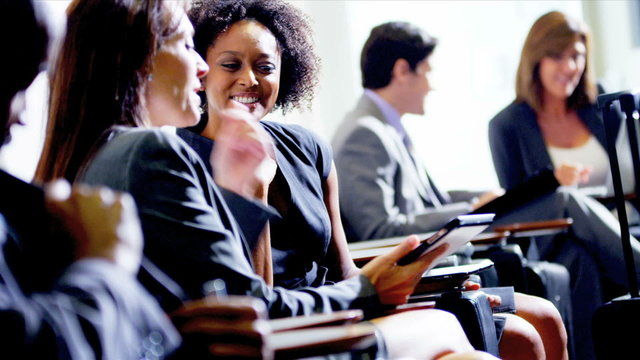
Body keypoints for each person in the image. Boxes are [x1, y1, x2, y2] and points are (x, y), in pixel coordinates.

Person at [35, 0, 494, 358]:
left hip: (283, 328)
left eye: (264, 65)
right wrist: (368, 288)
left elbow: (218, 292)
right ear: (140, 59)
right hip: (283, 339)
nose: (201, 67)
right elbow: (250, 306)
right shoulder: (152, 152)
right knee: (448, 329)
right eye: (185, 45)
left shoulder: (101, 156)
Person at [182, 2, 568, 359]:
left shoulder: (308, 147)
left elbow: (345, 270)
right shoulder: (180, 160)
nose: (250, 79)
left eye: (265, 67)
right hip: (291, 324)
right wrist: (255, 188)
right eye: (231, 65)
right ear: (202, 69)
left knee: (544, 318)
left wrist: (426, 287)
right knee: (519, 337)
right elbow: (252, 301)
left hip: (343, 302)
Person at [330, 20, 640, 360]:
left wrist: (479, 197)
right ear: (403, 71)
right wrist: (470, 210)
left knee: (577, 259)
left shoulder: (385, 127)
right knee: (564, 198)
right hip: (431, 259)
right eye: (428, 72)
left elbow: (432, 199)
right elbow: (381, 228)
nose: (431, 86)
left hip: (452, 242)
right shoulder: (365, 133)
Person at [0, 0, 180, 357]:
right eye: (15, 83)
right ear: (143, 58)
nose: (20, 119)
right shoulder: (148, 149)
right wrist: (106, 265)